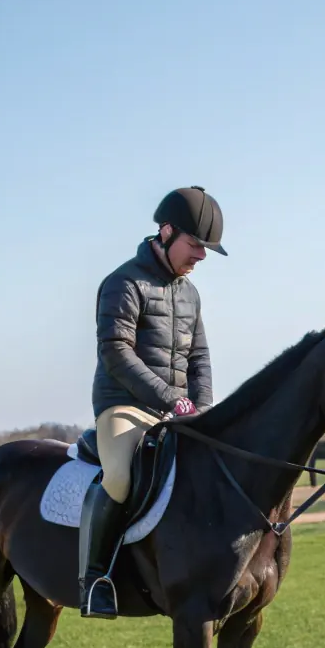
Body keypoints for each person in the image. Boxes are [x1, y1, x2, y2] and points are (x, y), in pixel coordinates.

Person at [79, 186, 225, 618]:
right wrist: (170, 399)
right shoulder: (123, 283)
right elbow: (116, 353)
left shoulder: (190, 294)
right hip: (123, 406)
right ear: (165, 231)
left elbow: (199, 359)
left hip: (176, 411)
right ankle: (95, 579)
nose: (201, 256)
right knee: (121, 477)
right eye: (195, 244)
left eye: (206, 249)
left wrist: (201, 409)